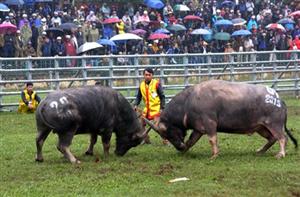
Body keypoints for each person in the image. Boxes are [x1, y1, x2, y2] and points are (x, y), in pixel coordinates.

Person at [134, 68, 167, 144]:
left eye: (149, 75)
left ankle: (166, 140)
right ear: (143, 75)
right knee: (140, 123)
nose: (147, 76)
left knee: (158, 127)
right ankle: (146, 140)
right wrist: (135, 104)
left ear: (152, 76)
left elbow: (162, 97)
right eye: (146, 75)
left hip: (156, 110)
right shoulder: (141, 85)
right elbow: (138, 97)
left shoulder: (156, 84)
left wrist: (162, 108)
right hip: (147, 110)